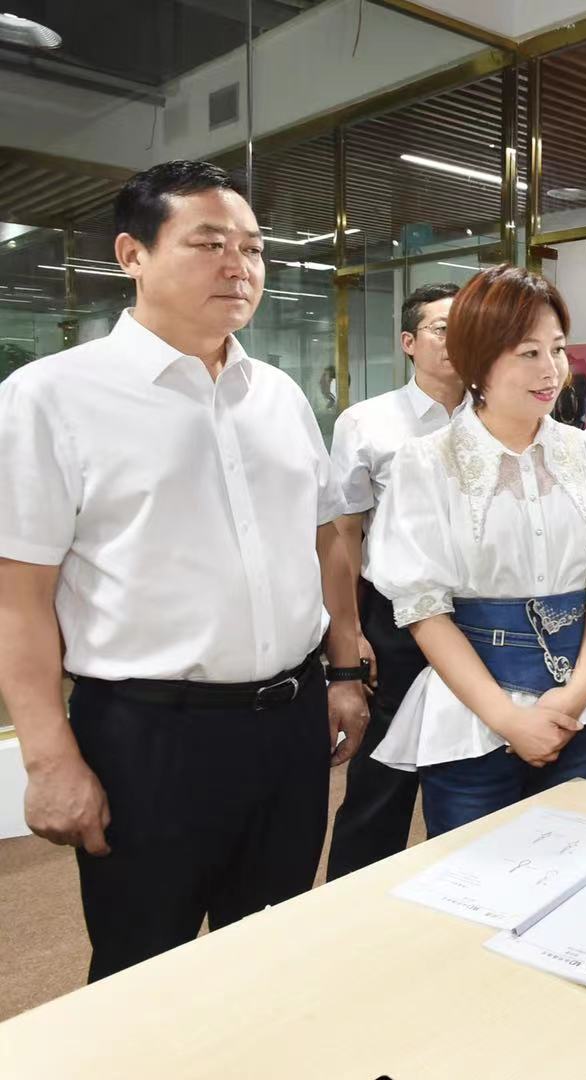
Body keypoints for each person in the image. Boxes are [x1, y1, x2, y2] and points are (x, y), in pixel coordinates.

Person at [0, 160, 368, 981]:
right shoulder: (50, 398)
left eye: (253, 248)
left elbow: (326, 542)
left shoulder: (277, 394)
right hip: (149, 738)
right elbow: (17, 600)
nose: (238, 266)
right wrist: (49, 758)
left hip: (288, 723)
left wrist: (344, 667)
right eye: (208, 244)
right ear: (132, 254)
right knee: (142, 967)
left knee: (268, 954)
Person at [366, 266, 586, 837]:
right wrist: (507, 719)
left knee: (574, 866)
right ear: (479, 359)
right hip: (471, 714)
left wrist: (579, 692)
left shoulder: (585, 453)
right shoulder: (427, 462)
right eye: (528, 352)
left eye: (558, 350)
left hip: (577, 707)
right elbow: (422, 607)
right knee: (478, 880)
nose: (551, 370)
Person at [325, 282, 464, 879]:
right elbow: (340, 536)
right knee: (382, 781)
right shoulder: (367, 422)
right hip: (398, 621)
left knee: (468, 772)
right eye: (439, 329)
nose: (454, 341)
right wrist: (349, 637)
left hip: (481, 620)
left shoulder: (501, 414)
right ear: (409, 342)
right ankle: (351, 906)